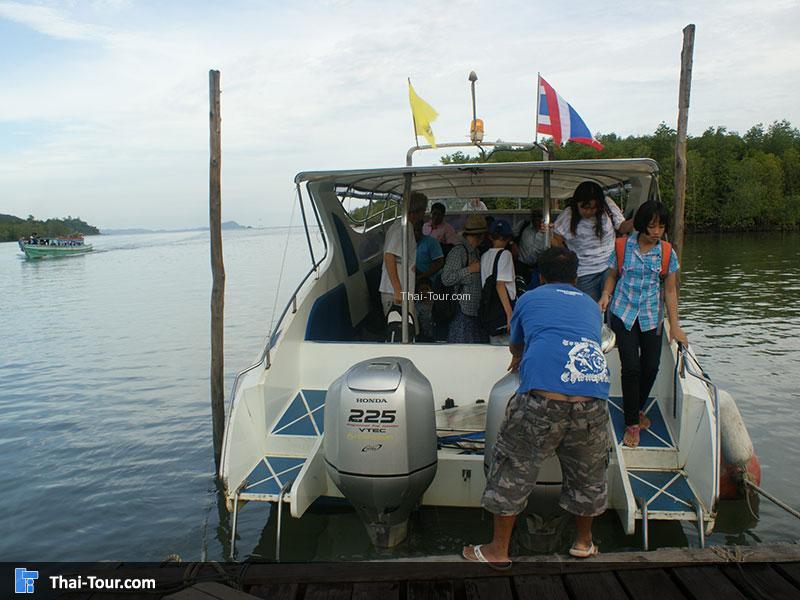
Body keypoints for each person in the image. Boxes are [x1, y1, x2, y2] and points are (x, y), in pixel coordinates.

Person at [463, 247, 610, 568]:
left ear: (540, 277)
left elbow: (517, 342)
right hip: (592, 396)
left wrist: (518, 356)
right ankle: (583, 543)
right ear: (575, 277)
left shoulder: (529, 299)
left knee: (513, 468)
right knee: (588, 474)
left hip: (543, 398)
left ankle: (498, 551)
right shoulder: (589, 304)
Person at [598, 200, 688, 447]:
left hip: (651, 316)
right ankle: (632, 424)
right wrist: (606, 295)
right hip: (623, 314)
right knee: (631, 368)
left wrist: (676, 326)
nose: (657, 232)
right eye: (652, 226)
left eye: (661, 227)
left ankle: (636, 408)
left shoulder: (667, 252)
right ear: (641, 226)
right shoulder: (621, 247)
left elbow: (670, 291)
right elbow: (612, 276)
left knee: (651, 367)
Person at [552, 182, 633, 300]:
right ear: (576, 204)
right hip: (584, 272)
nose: (589, 212)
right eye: (584, 208)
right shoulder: (568, 215)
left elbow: (621, 226)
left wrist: (636, 220)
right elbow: (556, 240)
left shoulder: (608, 205)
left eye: (593, 208)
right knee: (589, 308)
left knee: (612, 307)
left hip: (610, 267)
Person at [379, 191, 428, 318]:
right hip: (395, 292)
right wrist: (397, 290)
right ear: (420, 211)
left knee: (407, 328)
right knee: (399, 331)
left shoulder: (405, 225)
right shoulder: (404, 227)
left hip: (401, 289)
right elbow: (389, 256)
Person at [441, 214, 487, 343]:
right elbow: (447, 278)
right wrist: (470, 270)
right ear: (480, 236)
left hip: (472, 310)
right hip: (462, 310)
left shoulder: (474, 252)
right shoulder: (459, 252)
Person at [480, 219, 516, 345]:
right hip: (502, 311)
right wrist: (509, 314)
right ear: (508, 237)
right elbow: (500, 284)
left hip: (490, 312)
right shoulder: (506, 255)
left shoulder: (484, 256)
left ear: (490, 237)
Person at [513, 208, 548, 290]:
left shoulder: (548, 231)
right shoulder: (523, 225)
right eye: (534, 216)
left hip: (539, 268)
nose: (537, 218)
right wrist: (512, 244)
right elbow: (511, 236)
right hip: (521, 266)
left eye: (540, 216)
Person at [414, 220, 444, 287]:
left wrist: (423, 276)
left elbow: (439, 262)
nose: (415, 233)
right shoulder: (405, 242)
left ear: (421, 228)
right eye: (413, 230)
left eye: (418, 230)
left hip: (429, 282)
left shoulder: (431, 242)